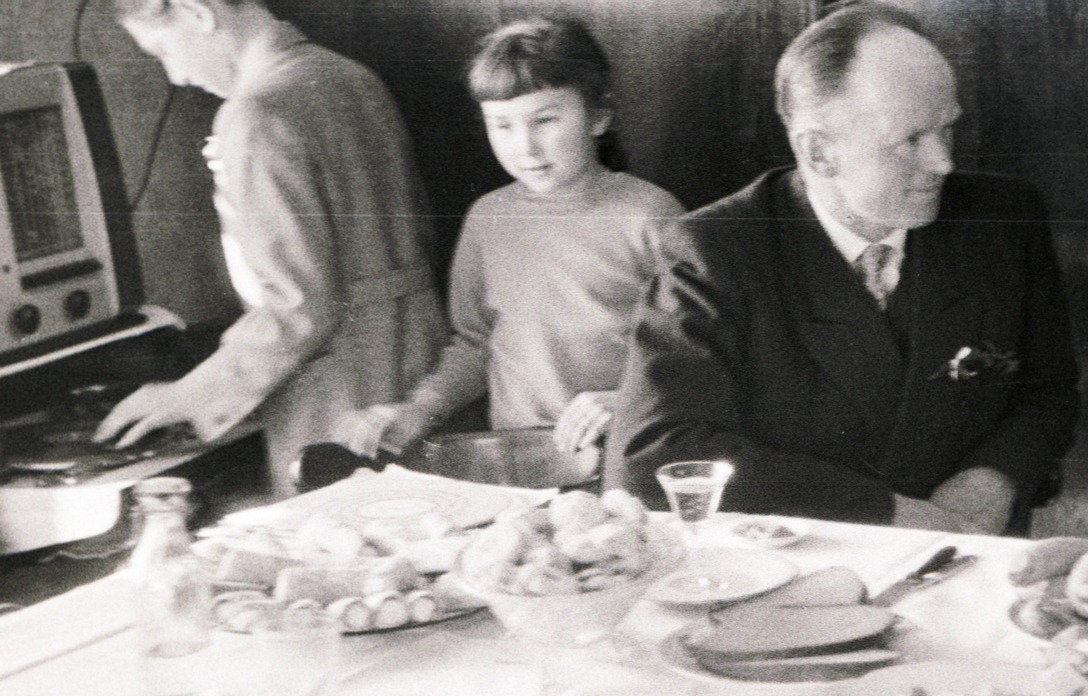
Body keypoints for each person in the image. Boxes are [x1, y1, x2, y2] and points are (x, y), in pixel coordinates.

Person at [605, 2, 1078, 534]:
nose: (943, 162)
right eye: (910, 140)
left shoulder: (1003, 219)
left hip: (978, 549)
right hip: (804, 564)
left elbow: (1049, 390)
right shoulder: (717, 249)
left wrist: (996, 478)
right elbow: (649, 460)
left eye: (947, 129)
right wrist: (886, 513)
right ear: (819, 153)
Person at [95, 0, 444, 497]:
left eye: (162, 50)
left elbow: (298, 307)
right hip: (421, 367)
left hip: (337, 397)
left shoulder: (253, 114)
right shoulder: (351, 76)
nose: (176, 76)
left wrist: (188, 395)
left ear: (198, 13)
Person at [338, 18, 683, 469]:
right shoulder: (487, 217)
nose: (525, 147)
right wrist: (417, 409)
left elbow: (696, 360)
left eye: (545, 120)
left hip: (632, 456)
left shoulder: (651, 215)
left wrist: (626, 400)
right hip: (519, 462)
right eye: (502, 125)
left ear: (599, 116)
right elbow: (476, 344)